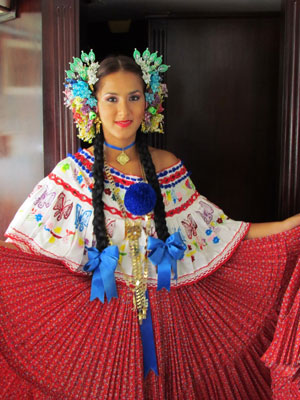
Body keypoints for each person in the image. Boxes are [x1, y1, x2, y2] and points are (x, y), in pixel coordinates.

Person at [0, 48, 300, 400]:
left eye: (134, 97)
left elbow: (224, 233)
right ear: (91, 104)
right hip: (99, 328)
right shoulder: (70, 174)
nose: (123, 111)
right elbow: (17, 253)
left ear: (148, 103)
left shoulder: (169, 165)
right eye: (111, 98)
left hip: (174, 324)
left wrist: (291, 225)